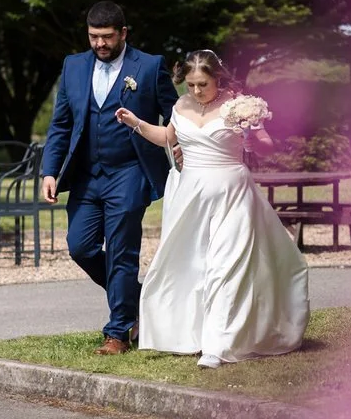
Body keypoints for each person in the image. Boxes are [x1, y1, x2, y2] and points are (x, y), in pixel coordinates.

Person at [115, 50, 310, 369]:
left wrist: (250, 137)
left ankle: (217, 346)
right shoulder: (181, 105)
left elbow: (267, 146)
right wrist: (135, 123)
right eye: (190, 84)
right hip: (190, 196)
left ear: (217, 78)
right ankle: (193, 334)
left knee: (226, 264)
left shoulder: (238, 106)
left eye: (202, 84)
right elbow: (167, 137)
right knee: (193, 266)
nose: (195, 91)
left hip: (232, 194)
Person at [41, 1, 179, 355]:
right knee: (80, 246)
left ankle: (117, 332)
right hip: (87, 176)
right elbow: (61, 124)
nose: (100, 44)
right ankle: (137, 301)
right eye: (93, 37)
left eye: (107, 37)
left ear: (123, 33)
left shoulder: (148, 66)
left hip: (129, 172)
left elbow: (176, 115)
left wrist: (188, 148)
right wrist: (49, 171)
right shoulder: (73, 66)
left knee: (121, 251)